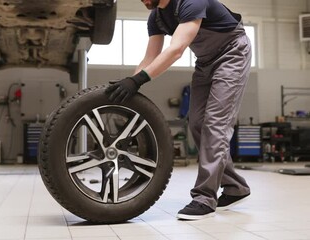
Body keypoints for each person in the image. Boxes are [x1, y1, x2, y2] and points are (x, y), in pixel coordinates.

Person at [105, 0, 251, 220]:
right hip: (205, 62)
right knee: (197, 124)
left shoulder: (191, 2)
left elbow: (176, 49)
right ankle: (234, 187)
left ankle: (204, 198)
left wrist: (138, 81)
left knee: (215, 125)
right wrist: (132, 82)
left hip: (233, 54)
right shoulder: (156, 17)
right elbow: (150, 57)